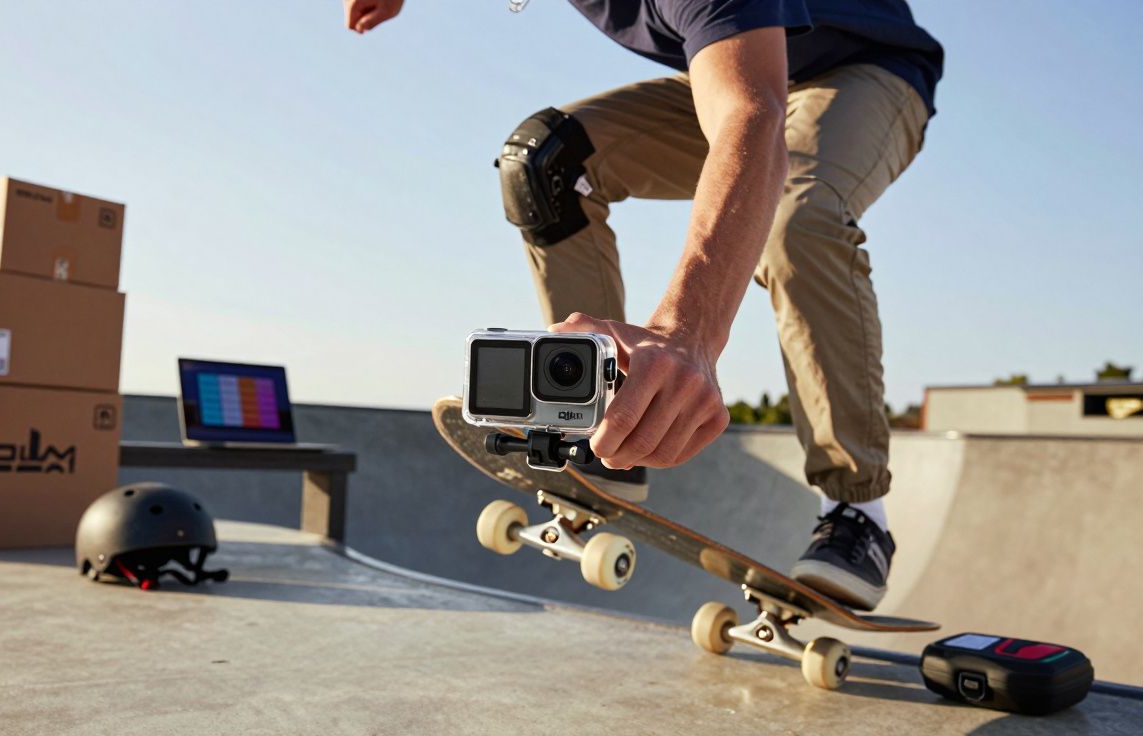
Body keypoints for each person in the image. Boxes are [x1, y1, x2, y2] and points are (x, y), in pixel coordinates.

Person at [344, 0, 943, 612]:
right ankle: (600, 416)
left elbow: (750, 117)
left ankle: (857, 508)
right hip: (719, 69)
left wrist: (688, 333)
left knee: (799, 220)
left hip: (863, 73)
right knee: (544, 162)